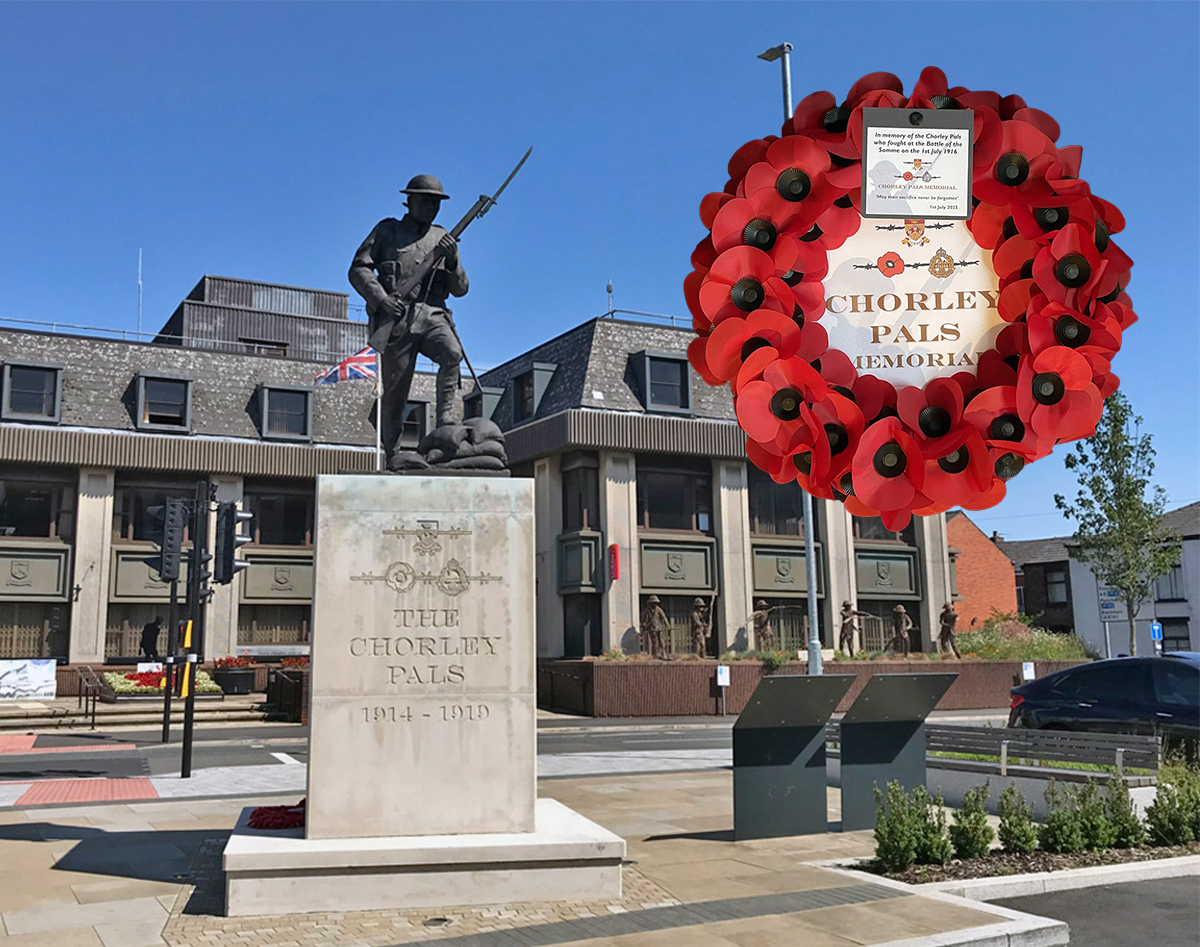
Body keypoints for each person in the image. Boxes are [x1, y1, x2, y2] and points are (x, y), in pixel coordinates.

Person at [349, 174, 469, 467]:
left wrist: (452, 260)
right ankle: (391, 450)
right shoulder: (387, 231)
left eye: (436, 203)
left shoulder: (443, 238)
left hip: (432, 315)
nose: (431, 207)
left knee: (452, 354)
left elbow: (460, 289)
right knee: (395, 392)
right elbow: (358, 269)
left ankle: (445, 422)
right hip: (398, 320)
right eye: (425, 201)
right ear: (409, 201)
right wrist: (381, 299)